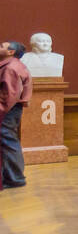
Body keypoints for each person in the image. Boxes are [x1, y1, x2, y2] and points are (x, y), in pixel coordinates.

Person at [0, 41, 32, 190]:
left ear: (11, 52)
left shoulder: (10, 68)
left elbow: (9, 95)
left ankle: (15, 179)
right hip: (11, 109)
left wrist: (1, 110)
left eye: (2, 46)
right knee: (8, 141)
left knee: (8, 141)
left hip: (7, 110)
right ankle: (13, 177)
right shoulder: (14, 65)